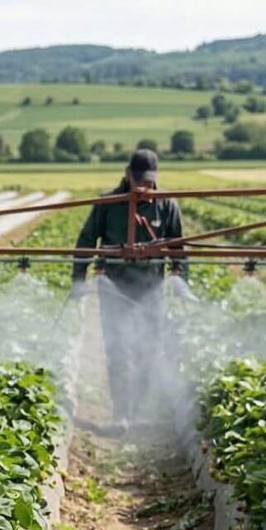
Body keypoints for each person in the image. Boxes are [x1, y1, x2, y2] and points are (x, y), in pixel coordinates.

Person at [70, 148, 187, 430]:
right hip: (115, 287)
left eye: (148, 183)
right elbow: (86, 239)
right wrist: (78, 279)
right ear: (128, 176)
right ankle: (122, 414)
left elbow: (179, 248)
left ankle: (141, 413)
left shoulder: (166, 205)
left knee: (148, 350)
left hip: (151, 288)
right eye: (139, 183)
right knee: (119, 351)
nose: (143, 189)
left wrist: (180, 279)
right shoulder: (109, 203)